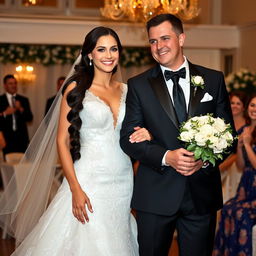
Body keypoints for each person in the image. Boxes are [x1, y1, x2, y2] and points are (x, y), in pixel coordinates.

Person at [0, 26, 151, 255]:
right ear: (90, 54)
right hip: (88, 178)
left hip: (123, 179)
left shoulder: (128, 91)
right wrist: (75, 188)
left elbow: (135, 131)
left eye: (113, 49)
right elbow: (62, 141)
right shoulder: (76, 87)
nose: (108, 55)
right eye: (101, 49)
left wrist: (147, 133)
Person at [120, 14, 236, 256]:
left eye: (165, 38)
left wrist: (203, 159)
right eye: (152, 41)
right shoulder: (138, 85)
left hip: (201, 194)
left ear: (181, 38)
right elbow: (127, 140)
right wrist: (166, 156)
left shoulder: (213, 79)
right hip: (155, 194)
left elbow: (228, 136)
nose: (159, 46)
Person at [213, 93, 256, 256]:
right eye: (252, 105)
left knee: (240, 214)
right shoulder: (245, 129)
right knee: (227, 209)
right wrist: (239, 147)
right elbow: (241, 165)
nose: (254, 109)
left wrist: (247, 144)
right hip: (246, 184)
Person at [219, 90, 247, 202]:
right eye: (232, 103)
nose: (234, 106)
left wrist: (222, 166)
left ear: (244, 107)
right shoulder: (223, 123)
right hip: (221, 160)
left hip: (236, 164)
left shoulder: (247, 127)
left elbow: (238, 154)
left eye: (238, 103)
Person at [0, 74, 33, 154]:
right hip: (5, 139)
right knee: (6, 165)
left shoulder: (24, 100)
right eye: (10, 83)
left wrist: (21, 109)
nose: (13, 85)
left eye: (15, 83)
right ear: (5, 85)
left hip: (22, 139)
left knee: (22, 165)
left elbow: (30, 118)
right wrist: (4, 113)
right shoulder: (0, 100)